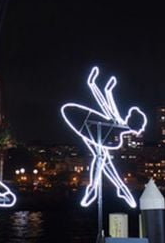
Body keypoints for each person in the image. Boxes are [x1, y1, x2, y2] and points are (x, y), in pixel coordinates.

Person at [61, 67, 147, 208]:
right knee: (101, 157)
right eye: (140, 128)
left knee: (102, 158)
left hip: (91, 131)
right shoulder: (117, 124)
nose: (140, 131)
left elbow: (106, 101)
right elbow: (105, 103)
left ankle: (106, 189)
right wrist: (95, 84)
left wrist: (102, 86)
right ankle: (98, 189)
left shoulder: (117, 126)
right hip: (88, 127)